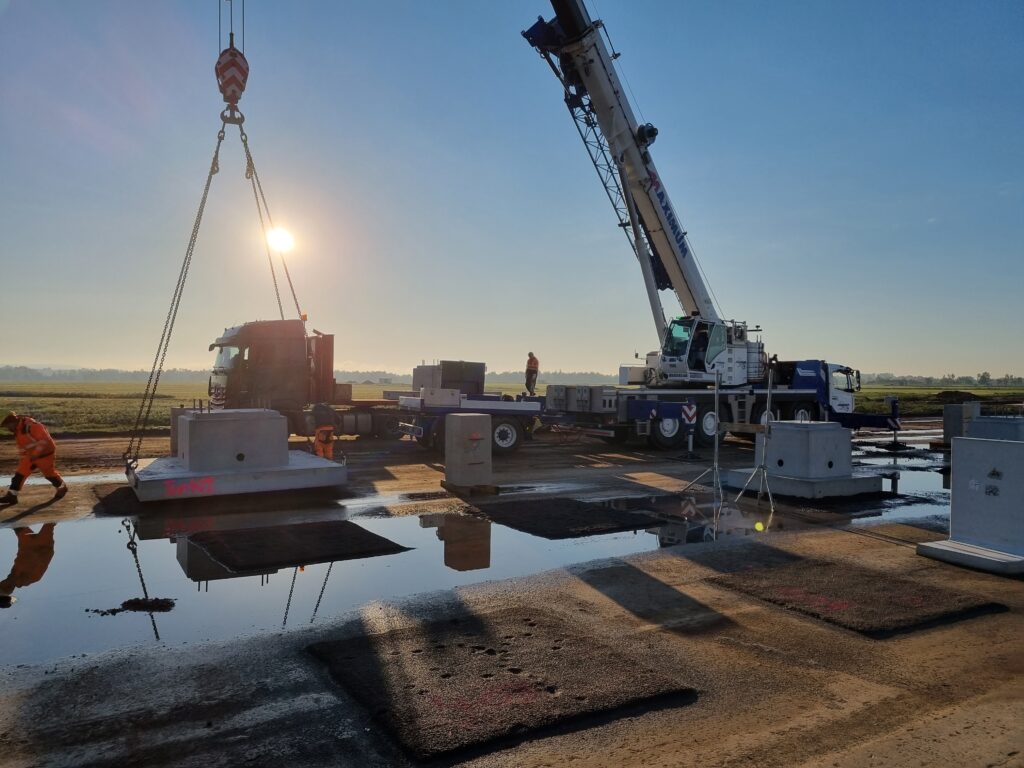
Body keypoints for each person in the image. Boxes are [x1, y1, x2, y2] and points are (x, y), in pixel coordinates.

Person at [1, 412, 67, 505]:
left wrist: (35, 454)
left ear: (13, 423)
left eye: (8, 426)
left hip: (45, 455)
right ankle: (12, 496)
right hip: (31, 456)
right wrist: (24, 458)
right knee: (19, 475)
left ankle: (62, 488)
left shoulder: (33, 426)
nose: (8, 429)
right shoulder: (18, 430)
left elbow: (44, 440)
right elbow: (22, 447)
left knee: (49, 475)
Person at [0, 523, 56, 608]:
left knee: (17, 524)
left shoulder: (19, 576)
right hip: (41, 547)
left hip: (31, 546)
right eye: (2, 585)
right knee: (50, 521)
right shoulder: (26, 579)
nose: (1, 581)